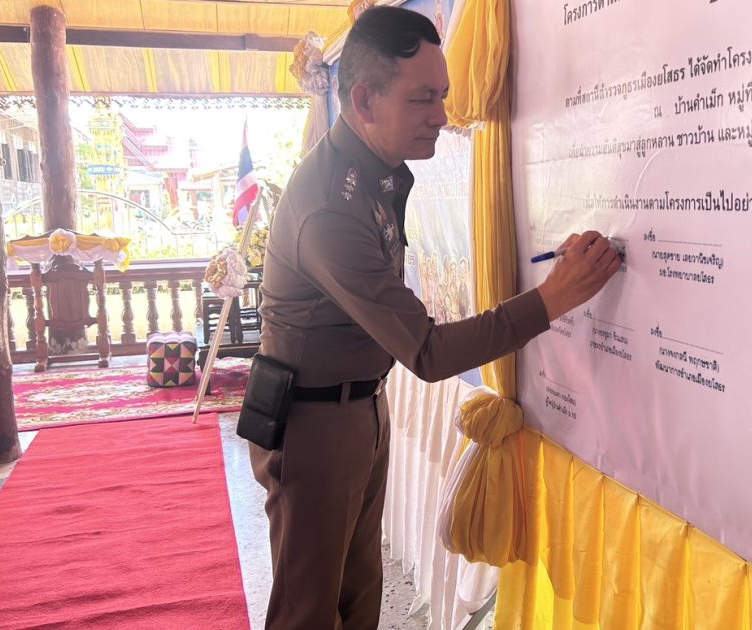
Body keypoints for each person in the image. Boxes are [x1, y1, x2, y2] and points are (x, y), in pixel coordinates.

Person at [252, 7, 622, 629]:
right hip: (311, 425)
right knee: (308, 610)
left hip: (358, 408)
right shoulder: (330, 207)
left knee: (358, 596)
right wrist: (554, 297)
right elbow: (425, 353)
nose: (442, 116)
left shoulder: (374, 173)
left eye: (443, 95)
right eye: (422, 98)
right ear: (364, 100)